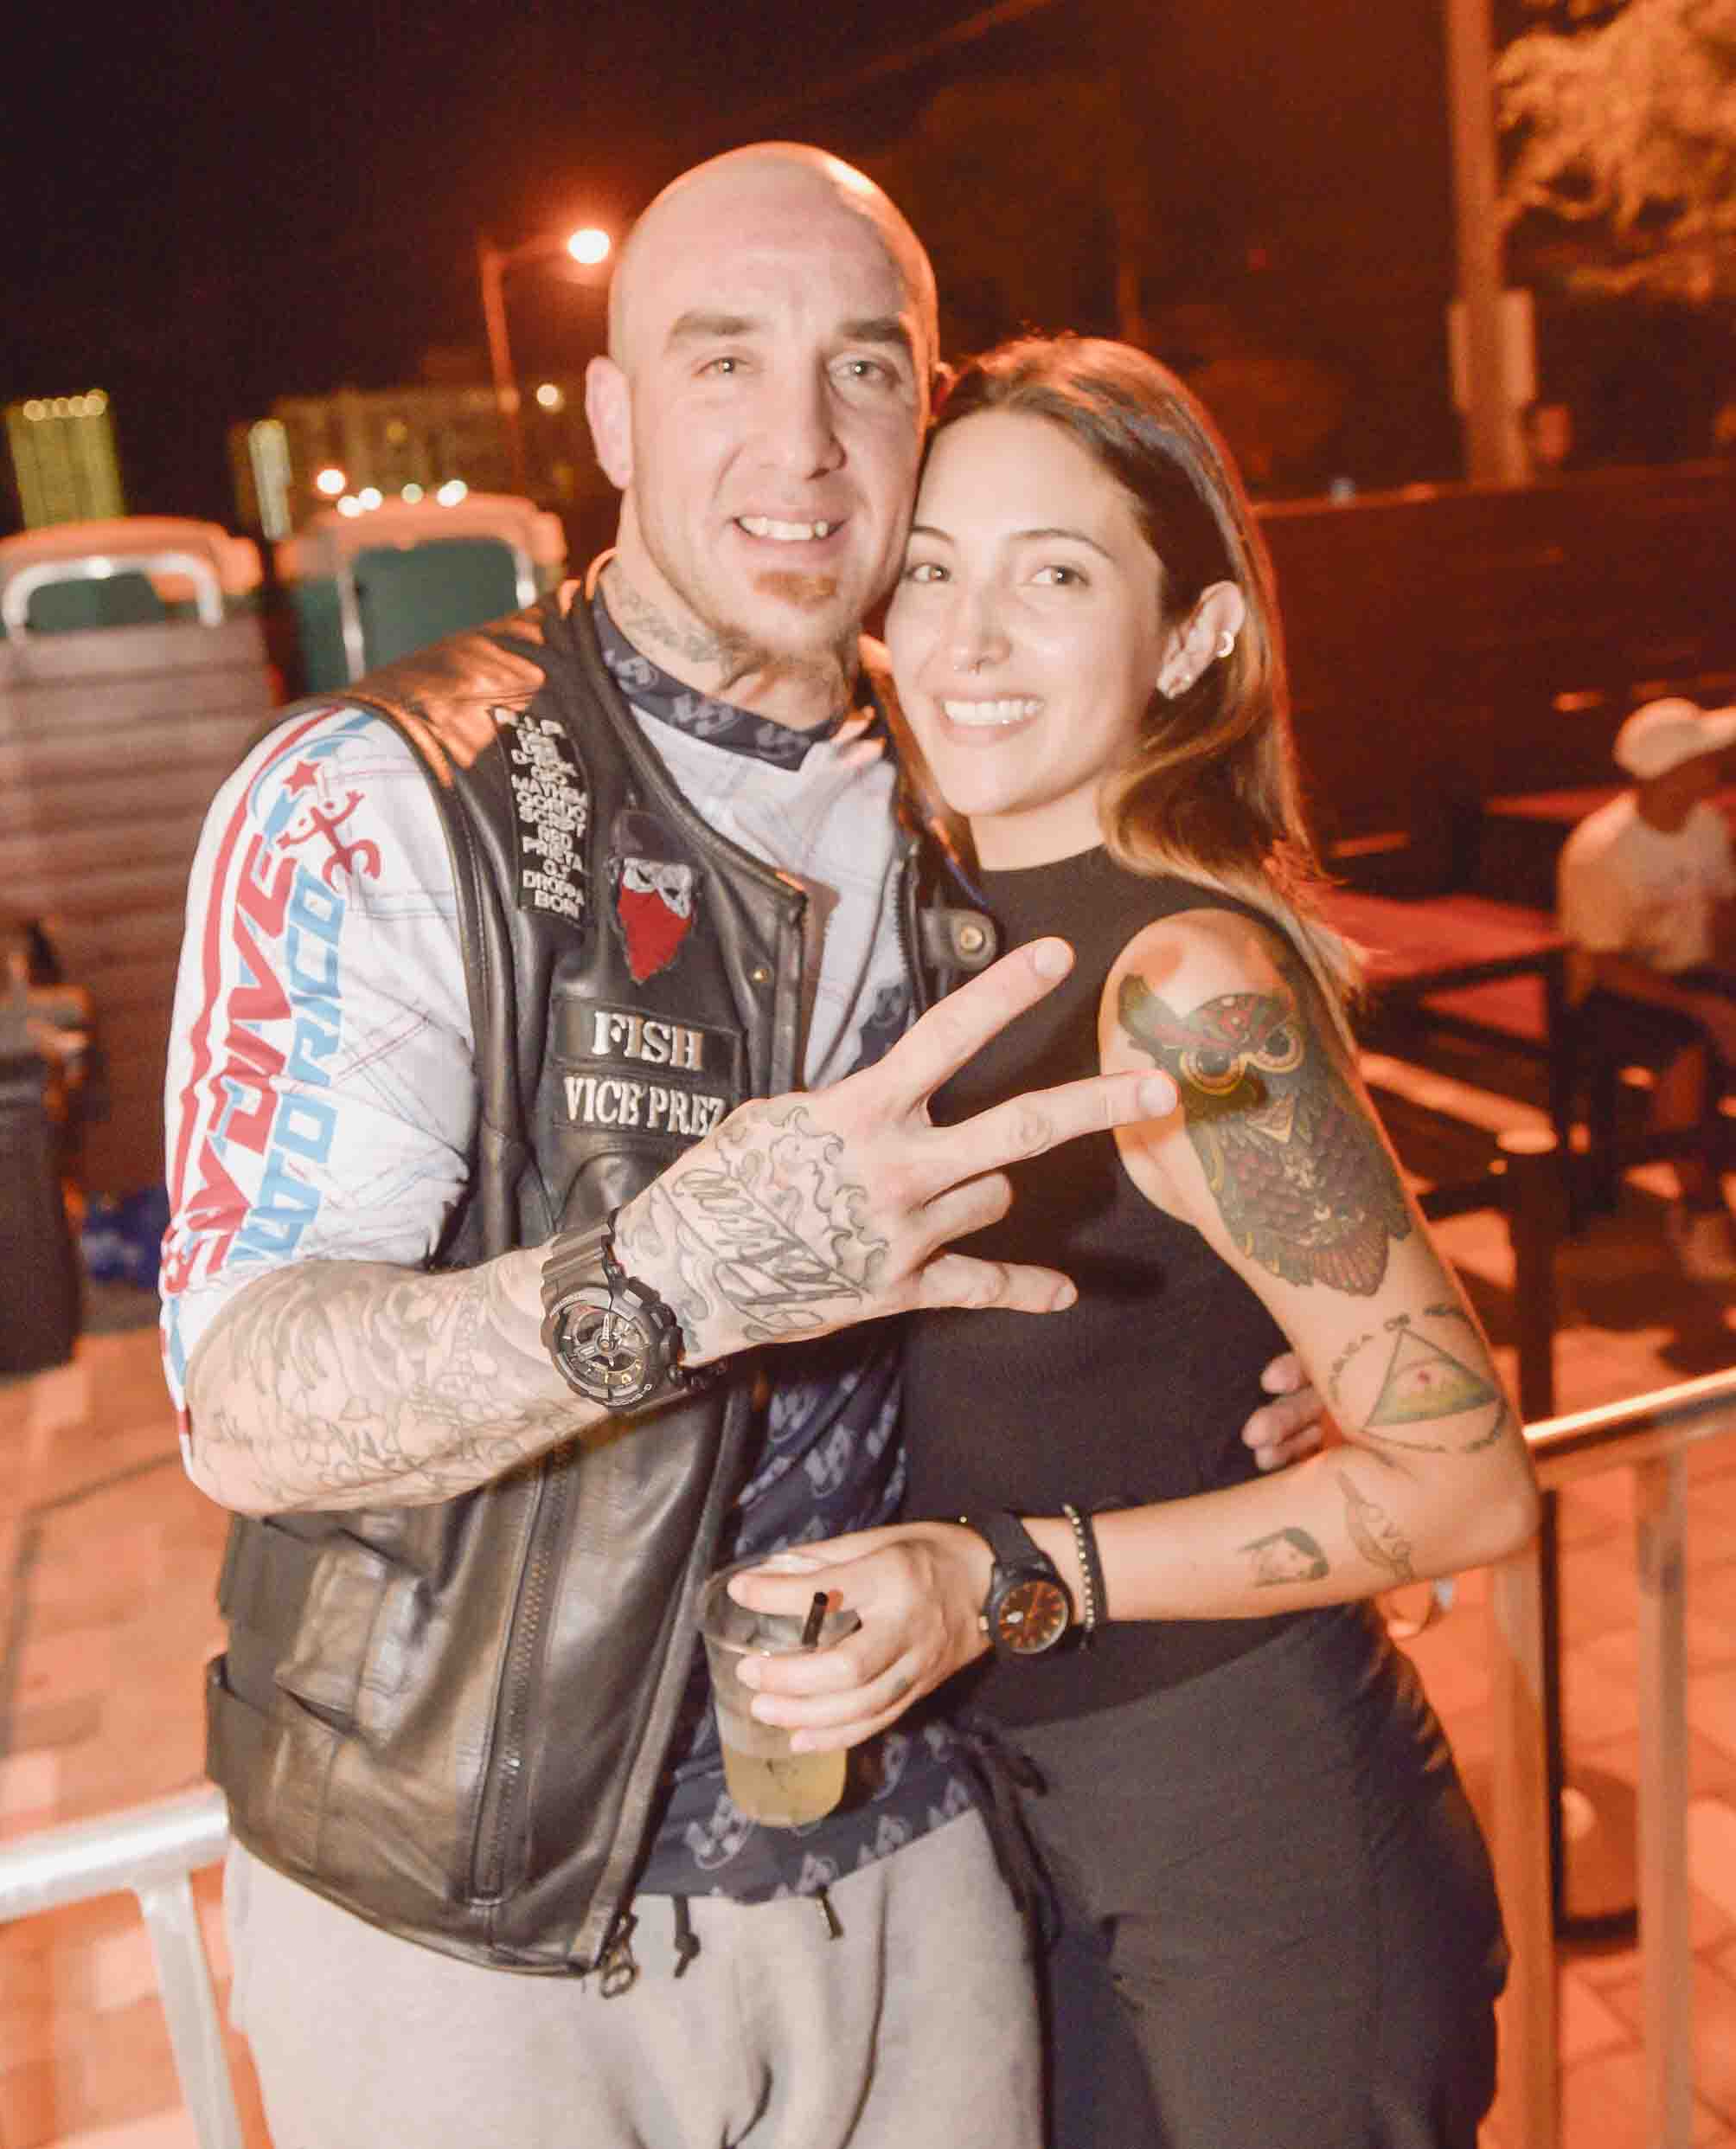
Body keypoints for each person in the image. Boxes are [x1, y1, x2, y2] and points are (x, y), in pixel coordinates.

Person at [160, 151, 1317, 2148]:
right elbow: (244, 1401)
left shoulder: (975, 772)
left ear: (922, 408)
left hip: (916, 1853)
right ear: (612, 418)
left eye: (860, 368)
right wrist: (669, 1279)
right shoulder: (385, 799)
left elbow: (1203, 1090)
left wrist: (1285, 1343)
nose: (799, 442)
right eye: (722, 361)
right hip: (470, 1927)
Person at [731, 336, 1541, 2149]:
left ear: (1191, 638)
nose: (968, 640)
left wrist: (1004, 1575)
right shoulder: (912, 932)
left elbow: (1464, 1480)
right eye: (928, 570)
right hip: (1015, 1817)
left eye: (1055, 576)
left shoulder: (1186, 987)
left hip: (1254, 1838)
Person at [1557, 695, 1736, 1280]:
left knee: (1706, 1030)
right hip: (1611, 993)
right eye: (1706, 757)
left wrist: (1725, 989)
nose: (1719, 764)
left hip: (1691, 976)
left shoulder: (1705, 824)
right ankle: (1702, 1210)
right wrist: (1708, 1009)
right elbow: (1606, 966)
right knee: (1686, 1052)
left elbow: (1722, 918)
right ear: (1674, 772)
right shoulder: (1600, 850)